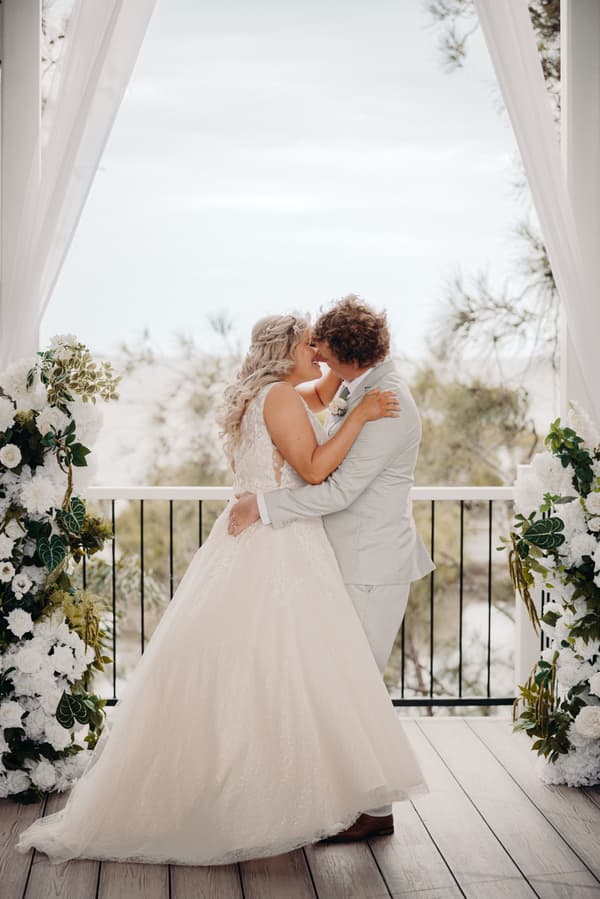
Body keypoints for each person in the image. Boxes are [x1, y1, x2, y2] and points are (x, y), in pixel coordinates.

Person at [15, 312, 426, 867]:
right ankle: (272, 794)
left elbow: (325, 391)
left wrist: (348, 381)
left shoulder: (278, 392)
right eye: (312, 347)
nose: (321, 357)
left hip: (274, 537)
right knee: (285, 671)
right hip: (277, 541)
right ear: (289, 352)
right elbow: (314, 467)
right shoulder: (281, 398)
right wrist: (362, 415)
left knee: (281, 671)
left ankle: (308, 791)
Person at [229, 296, 434, 840]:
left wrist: (264, 507)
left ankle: (375, 810)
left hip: (370, 564)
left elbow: (338, 489)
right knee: (338, 684)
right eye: (307, 344)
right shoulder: (357, 388)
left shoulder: (385, 402)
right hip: (336, 560)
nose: (315, 352)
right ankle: (344, 800)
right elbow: (312, 404)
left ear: (347, 356)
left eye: (322, 346)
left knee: (358, 686)